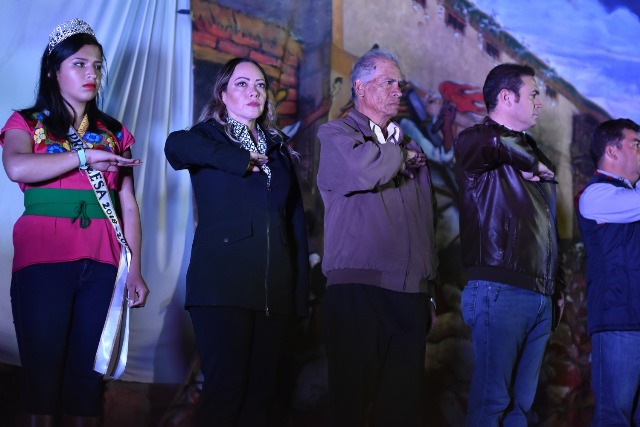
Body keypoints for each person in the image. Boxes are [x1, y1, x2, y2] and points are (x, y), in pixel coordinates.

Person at [0, 18, 149, 427]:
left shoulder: (115, 132)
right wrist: (84, 156)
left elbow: (128, 205)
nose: (91, 74)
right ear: (54, 70)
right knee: (42, 381)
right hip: (43, 261)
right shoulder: (27, 123)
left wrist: (134, 269)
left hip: (104, 264)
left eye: (97, 65)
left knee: (87, 386)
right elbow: (16, 167)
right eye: (79, 64)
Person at [164, 57, 309, 427]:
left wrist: (297, 297)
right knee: (225, 393)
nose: (254, 91)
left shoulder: (278, 148)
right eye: (242, 84)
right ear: (223, 94)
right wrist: (239, 159)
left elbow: (294, 225)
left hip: (273, 293)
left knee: (260, 399)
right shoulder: (208, 137)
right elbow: (175, 147)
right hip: (222, 288)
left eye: (260, 85)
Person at [316, 48, 438, 427]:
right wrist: (401, 156)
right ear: (360, 87)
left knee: (403, 409)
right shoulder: (336, 134)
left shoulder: (411, 148)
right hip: (357, 290)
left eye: (400, 84)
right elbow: (360, 170)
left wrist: (429, 289)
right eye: (388, 82)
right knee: (350, 405)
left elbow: (426, 220)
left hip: (410, 295)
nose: (398, 91)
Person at [454, 63, 563, 426]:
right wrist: (528, 160)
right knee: (492, 404)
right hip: (499, 287)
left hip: (539, 293)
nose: (539, 103)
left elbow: (549, 226)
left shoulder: (533, 152)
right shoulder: (476, 140)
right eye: (533, 94)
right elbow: (486, 142)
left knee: (521, 408)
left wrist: (557, 288)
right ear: (505, 97)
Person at [575, 118, 640, 426]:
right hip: (617, 322)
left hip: (633, 320)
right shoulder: (597, 194)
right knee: (614, 417)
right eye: (636, 145)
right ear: (612, 151)